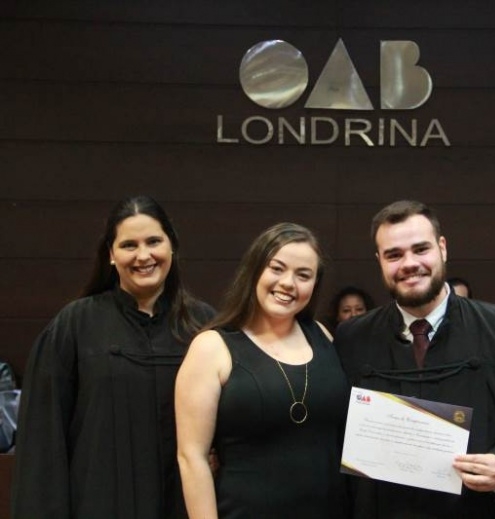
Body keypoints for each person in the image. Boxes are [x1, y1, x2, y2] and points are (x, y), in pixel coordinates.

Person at [335, 200, 495, 519]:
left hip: (478, 510)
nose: (409, 264)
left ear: (442, 248)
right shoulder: (352, 338)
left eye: (420, 249)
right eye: (394, 255)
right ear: (379, 261)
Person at [11, 195, 215, 519]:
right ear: (111, 254)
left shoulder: (205, 328)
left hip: (183, 506)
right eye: (129, 245)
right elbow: (42, 443)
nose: (143, 255)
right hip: (98, 503)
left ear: (172, 246)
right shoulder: (75, 325)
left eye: (154, 241)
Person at [176, 223, 349, 519]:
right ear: (255, 270)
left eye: (303, 275)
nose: (288, 283)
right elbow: (192, 458)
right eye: (277, 268)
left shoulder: (322, 336)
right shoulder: (212, 348)